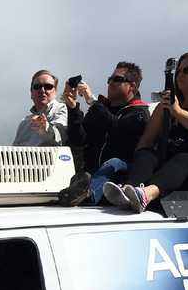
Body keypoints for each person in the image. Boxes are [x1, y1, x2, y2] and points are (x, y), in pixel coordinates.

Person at [104, 51, 188, 213]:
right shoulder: (163, 107)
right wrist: (143, 161)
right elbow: (146, 141)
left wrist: (178, 112)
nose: (180, 74)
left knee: (184, 159)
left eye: (187, 70)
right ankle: (129, 191)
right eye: (178, 70)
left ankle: (147, 194)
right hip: (172, 169)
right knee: (146, 153)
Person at [58, 63, 150, 206]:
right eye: (109, 79)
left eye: (117, 79)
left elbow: (119, 130)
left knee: (114, 162)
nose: (110, 83)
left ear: (132, 86)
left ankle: (88, 195)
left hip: (122, 176)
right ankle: (80, 190)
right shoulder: (102, 108)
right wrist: (73, 108)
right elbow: (79, 139)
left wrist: (92, 101)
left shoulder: (139, 112)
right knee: (84, 172)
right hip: (92, 174)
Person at [12, 69, 68, 146]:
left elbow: (61, 136)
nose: (42, 90)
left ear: (55, 92)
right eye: (37, 86)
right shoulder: (24, 122)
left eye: (48, 86)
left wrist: (46, 128)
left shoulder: (61, 108)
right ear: (31, 93)